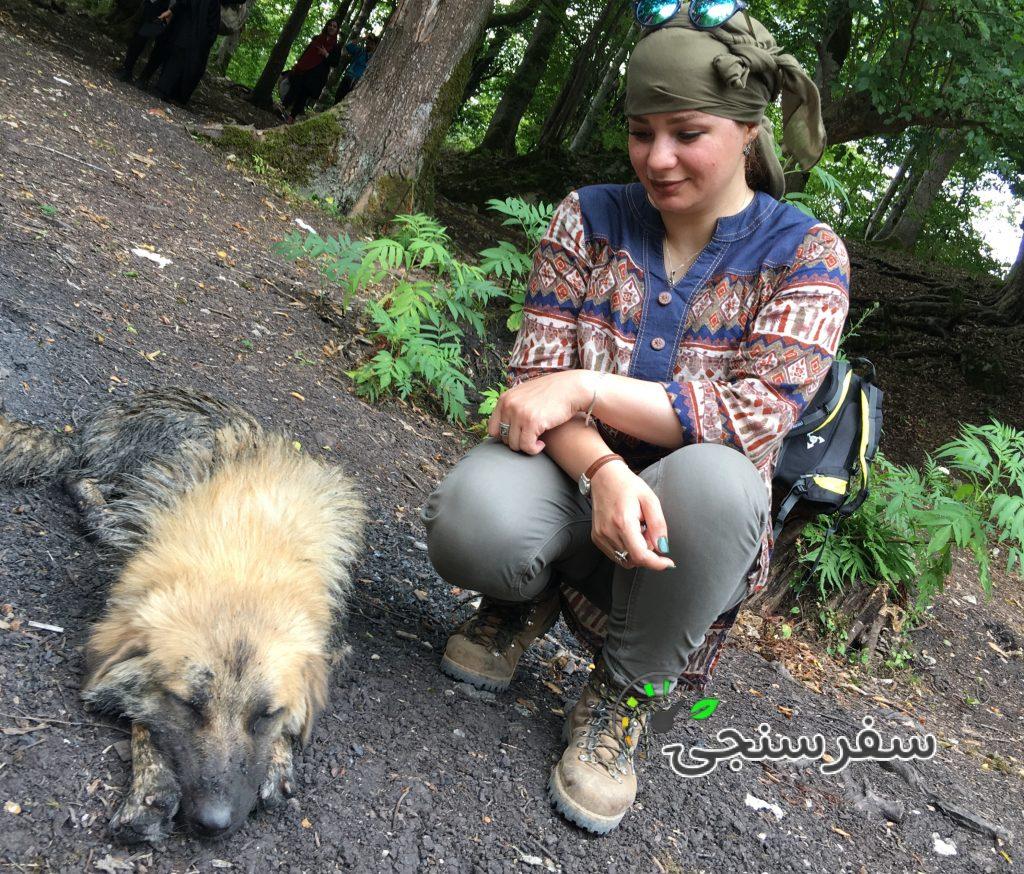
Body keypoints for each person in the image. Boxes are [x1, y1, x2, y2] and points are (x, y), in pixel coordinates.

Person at [421, 0, 850, 836]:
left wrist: (587, 390)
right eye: (640, 131)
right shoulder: (589, 217)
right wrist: (603, 465)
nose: (658, 158)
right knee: (471, 521)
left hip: (687, 526)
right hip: (570, 480)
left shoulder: (807, 255)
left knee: (724, 481)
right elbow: (534, 386)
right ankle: (522, 598)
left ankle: (623, 695)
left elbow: (748, 419)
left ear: (748, 130)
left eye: (687, 132)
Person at [152, 0, 222, 105]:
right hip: (188, 31)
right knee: (178, 58)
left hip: (196, 34)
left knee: (187, 63)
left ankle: (171, 94)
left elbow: (213, 23)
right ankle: (166, 91)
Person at [281, 19, 341, 123]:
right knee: (294, 89)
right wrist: (299, 64)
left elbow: (335, 63)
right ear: (327, 26)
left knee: (303, 95)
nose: (332, 27)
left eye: (334, 26)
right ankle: (281, 109)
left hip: (317, 75)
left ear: (337, 30)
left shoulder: (336, 47)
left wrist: (326, 54)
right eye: (330, 25)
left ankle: (291, 118)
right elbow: (307, 52)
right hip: (304, 69)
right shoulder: (317, 38)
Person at [116, 0, 172, 83]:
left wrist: (171, 10)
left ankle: (143, 78)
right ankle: (128, 70)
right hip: (154, 5)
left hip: (170, 9)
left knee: (161, 45)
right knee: (140, 36)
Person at [333, 32, 378, 103]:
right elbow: (348, 45)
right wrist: (363, 38)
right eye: (368, 43)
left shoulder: (375, 58)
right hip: (349, 78)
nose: (369, 45)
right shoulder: (359, 51)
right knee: (338, 99)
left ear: (375, 46)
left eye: (372, 44)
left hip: (359, 84)